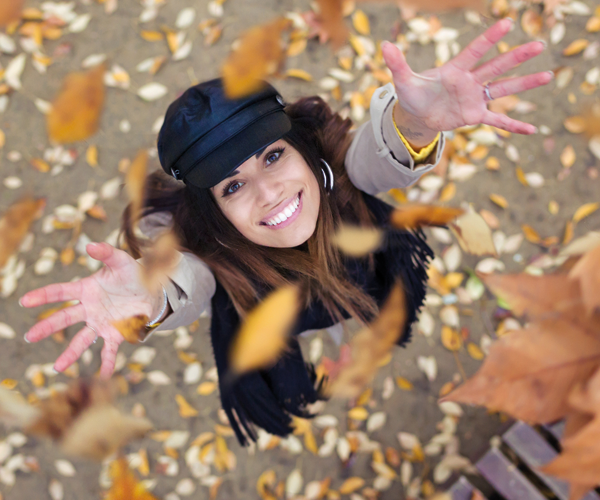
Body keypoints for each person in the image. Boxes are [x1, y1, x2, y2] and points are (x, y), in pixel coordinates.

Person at [20, 19, 552, 444]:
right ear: (210, 212)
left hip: (356, 274)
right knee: (311, 326)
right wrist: (151, 295)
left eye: (273, 155)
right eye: (232, 186)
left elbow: (374, 161)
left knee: (351, 312)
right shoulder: (205, 250)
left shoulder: (336, 166)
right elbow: (190, 280)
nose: (269, 193)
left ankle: (346, 329)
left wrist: (414, 126)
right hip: (271, 315)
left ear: (301, 147)